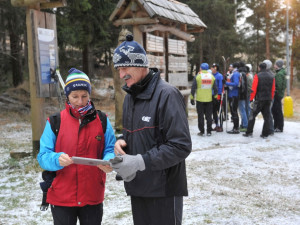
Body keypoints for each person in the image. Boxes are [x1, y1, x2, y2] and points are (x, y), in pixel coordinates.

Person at [110, 34, 192, 225]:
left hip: (163, 189)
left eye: (124, 68)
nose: (121, 75)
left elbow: (181, 145)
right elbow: (142, 133)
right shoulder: (130, 96)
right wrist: (122, 141)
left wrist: (140, 161)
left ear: (140, 65)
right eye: (118, 70)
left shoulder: (167, 95)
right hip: (138, 186)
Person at [37, 68, 116, 225]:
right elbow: (43, 156)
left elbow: (110, 149)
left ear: (89, 95)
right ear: (67, 96)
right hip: (62, 197)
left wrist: (108, 161)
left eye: (84, 96)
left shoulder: (102, 120)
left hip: (92, 195)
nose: (80, 102)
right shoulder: (54, 122)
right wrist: (56, 158)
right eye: (75, 97)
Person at [243, 62, 275, 138]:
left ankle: (249, 132)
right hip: (268, 99)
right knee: (267, 117)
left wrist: (251, 99)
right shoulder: (272, 76)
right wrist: (271, 98)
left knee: (252, 115)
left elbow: (253, 89)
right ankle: (265, 134)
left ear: (259, 68)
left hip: (259, 99)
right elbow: (273, 89)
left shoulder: (258, 76)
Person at [191, 63, 217, 136]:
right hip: (209, 100)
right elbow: (215, 89)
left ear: (201, 68)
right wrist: (215, 98)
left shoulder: (198, 77)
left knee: (200, 116)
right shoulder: (212, 77)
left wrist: (192, 98)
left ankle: (202, 131)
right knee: (209, 116)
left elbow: (193, 88)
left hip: (200, 100)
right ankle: (209, 131)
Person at [272, 59, 287, 132]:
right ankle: (277, 126)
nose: (274, 65)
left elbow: (279, 86)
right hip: (279, 94)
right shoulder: (281, 72)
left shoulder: (279, 74)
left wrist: (274, 90)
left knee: (277, 110)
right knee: (277, 110)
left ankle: (279, 127)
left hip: (277, 94)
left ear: (278, 65)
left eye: (275, 64)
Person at [226, 62, 240, 134]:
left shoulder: (235, 74)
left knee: (234, 111)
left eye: (231, 67)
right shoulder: (234, 73)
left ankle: (236, 128)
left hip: (234, 95)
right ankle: (235, 127)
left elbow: (236, 83)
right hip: (232, 94)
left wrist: (226, 83)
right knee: (233, 111)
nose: (229, 68)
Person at [263, 59, 275, 135]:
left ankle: (270, 129)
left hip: (268, 96)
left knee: (268, 113)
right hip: (268, 95)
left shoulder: (269, 74)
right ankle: (269, 128)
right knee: (268, 113)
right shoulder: (270, 73)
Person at [211, 63, 224, 132]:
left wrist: (219, 94)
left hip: (218, 95)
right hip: (211, 96)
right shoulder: (211, 75)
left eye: (212, 67)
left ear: (215, 68)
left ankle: (221, 125)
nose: (211, 69)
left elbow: (220, 86)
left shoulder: (219, 76)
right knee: (213, 111)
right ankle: (216, 124)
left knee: (219, 111)